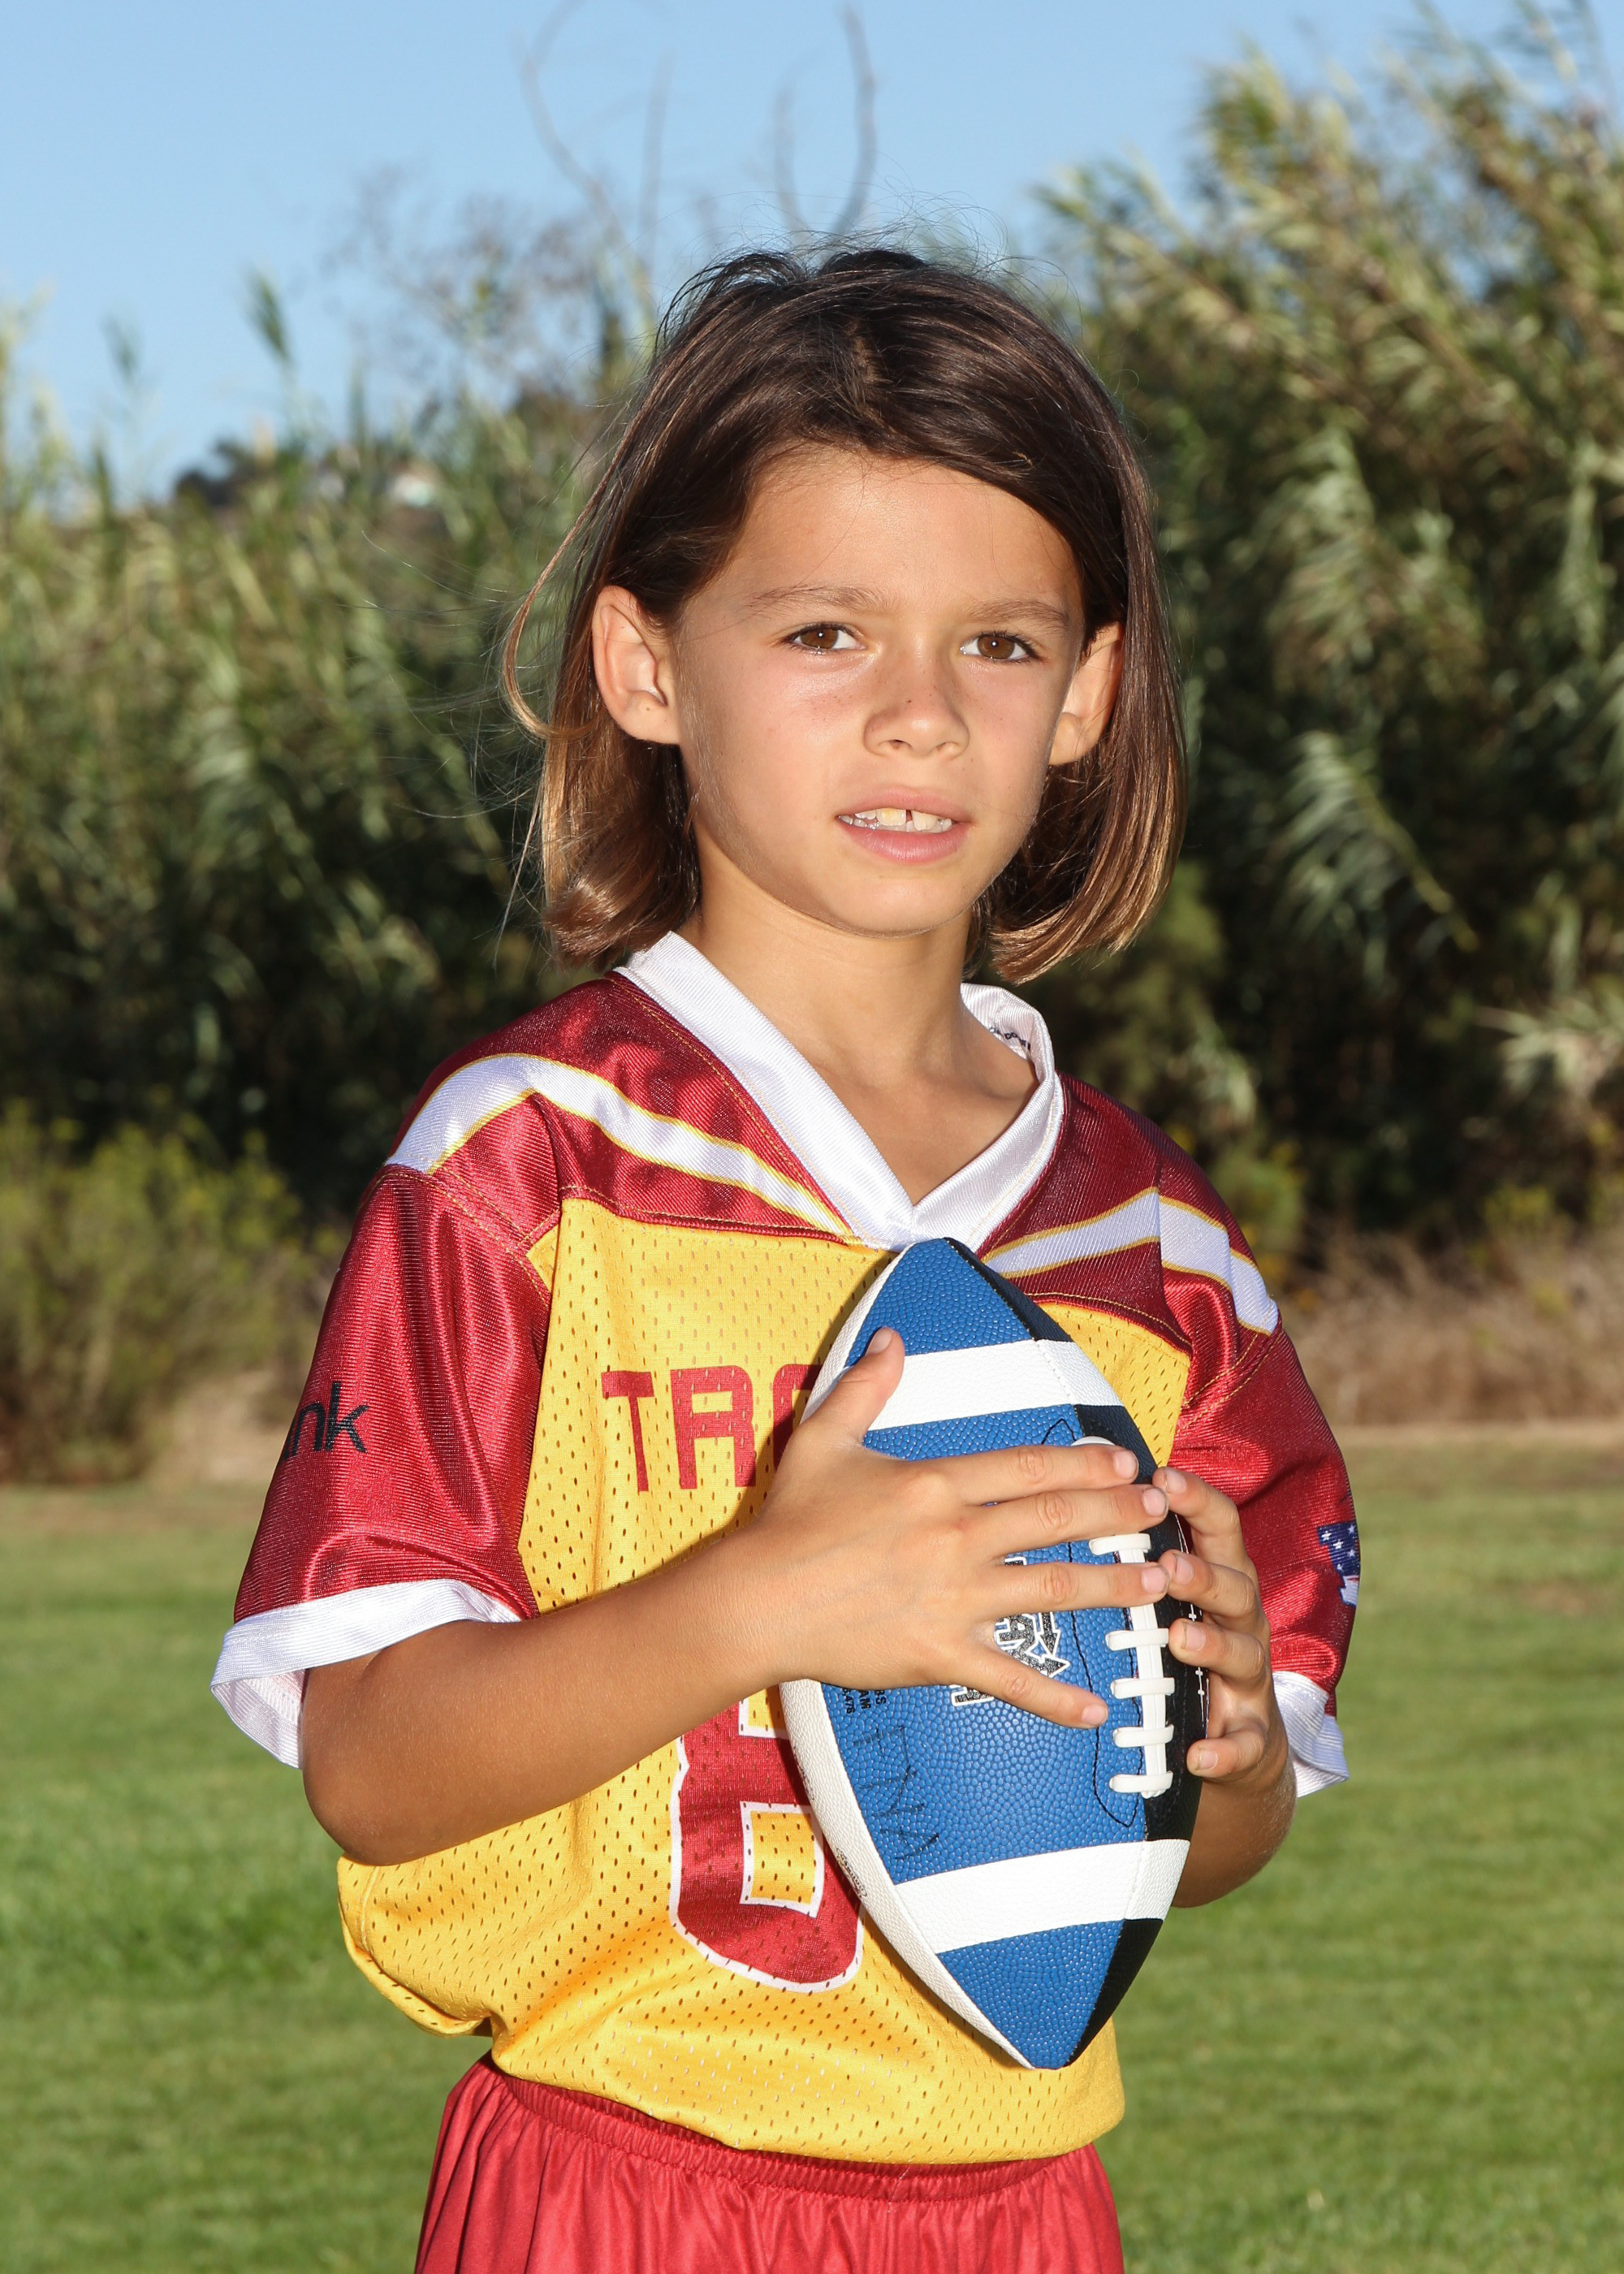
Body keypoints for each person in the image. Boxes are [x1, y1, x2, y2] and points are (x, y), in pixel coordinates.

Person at [211, 248, 1357, 2274]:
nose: (918, 711)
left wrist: (1229, 1747)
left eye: (998, 641)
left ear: (1086, 692)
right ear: (647, 663)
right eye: (825, 629)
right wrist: (766, 1595)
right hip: (616, 2177)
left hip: (1021, 2200)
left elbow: (1207, 1843)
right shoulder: (528, 1159)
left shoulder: (1155, 1247)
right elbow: (372, 1767)